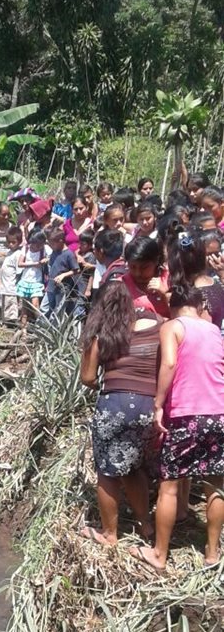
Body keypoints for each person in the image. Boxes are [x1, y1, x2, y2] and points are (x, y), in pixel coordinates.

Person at [132, 281, 224, 570]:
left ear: (173, 307)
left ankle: (159, 554)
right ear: (200, 306)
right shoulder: (214, 330)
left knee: (169, 486)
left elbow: (169, 364)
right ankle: (212, 553)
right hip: (218, 413)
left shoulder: (172, 326)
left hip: (186, 415)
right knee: (215, 485)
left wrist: (158, 404)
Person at [79, 277, 160, 545]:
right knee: (133, 468)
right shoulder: (157, 326)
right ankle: (146, 526)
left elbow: (88, 377)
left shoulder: (103, 335)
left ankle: (109, 534)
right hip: (148, 406)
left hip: (115, 405)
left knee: (107, 472)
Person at [124, 235, 170, 318]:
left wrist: (165, 294)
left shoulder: (169, 280)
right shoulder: (121, 286)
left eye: (144, 267)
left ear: (156, 261)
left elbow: (184, 317)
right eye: (132, 267)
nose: (138, 273)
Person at [43, 224, 78, 319]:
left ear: (60, 241)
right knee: (44, 308)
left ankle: (54, 327)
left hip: (61, 288)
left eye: (52, 244)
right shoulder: (54, 252)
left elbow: (76, 270)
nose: (50, 246)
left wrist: (63, 275)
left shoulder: (69, 254)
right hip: (50, 286)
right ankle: (42, 325)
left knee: (58, 310)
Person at [17, 229, 48, 323]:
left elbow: (51, 256)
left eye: (40, 244)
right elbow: (20, 263)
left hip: (36, 281)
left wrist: (46, 260)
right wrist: (35, 264)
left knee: (35, 304)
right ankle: (23, 327)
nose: (37, 247)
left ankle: (40, 324)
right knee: (24, 307)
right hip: (25, 280)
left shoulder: (44, 249)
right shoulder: (26, 248)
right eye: (36, 244)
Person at [0, 225, 22, 323]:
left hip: (11, 287)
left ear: (19, 242)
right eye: (9, 242)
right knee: (6, 304)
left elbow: (19, 272)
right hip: (5, 285)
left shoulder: (18, 254)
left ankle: (11, 322)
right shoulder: (9, 252)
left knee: (11, 305)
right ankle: (5, 320)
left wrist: (16, 284)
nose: (11, 244)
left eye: (13, 242)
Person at [201, 229, 224, 330]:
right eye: (208, 254)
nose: (213, 258)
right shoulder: (195, 274)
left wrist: (222, 275)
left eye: (216, 253)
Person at [73, 229, 96, 316]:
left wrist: (88, 290)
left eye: (83, 244)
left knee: (79, 308)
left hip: (84, 285)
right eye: (79, 243)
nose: (80, 245)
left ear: (90, 245)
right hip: (76, 284)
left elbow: (91, 274)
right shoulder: (79, 253)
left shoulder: (90, 256)